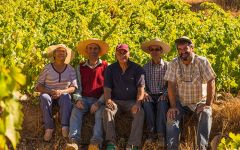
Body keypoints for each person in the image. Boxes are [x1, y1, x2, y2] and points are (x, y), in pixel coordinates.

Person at [164, 36, 216, 150]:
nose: (183, 52)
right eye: (180, 49)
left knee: (206, 113)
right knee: (171, 118)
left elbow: (211, 81)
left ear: (192, 48)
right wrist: (173, 106)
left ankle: (201, 147)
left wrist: (207, 104)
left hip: (199, 101)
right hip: (181, 102)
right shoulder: (174, 63)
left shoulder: (202, 61)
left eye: (185, 49)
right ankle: (172, 147)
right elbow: (171, 85)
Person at [67, 38, 109, 150]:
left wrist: (99, 103)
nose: (93, 51)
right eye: (90, 48)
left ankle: (95, 142)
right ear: (87, 51)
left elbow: (108, 89)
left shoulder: (106, 67)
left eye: (95, 48)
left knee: (100, 114)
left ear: (99, 51)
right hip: (84, 99)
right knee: (76, 111)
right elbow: (77, 87)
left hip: (99, 100)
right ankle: (74, 141)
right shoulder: (80, 67)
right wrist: (77, 99)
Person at [103, 44, 145, 150]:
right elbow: (107, 89)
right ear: (116, 55)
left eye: (124, 52)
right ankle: (111, 143)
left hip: (131, 102)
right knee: (107, 111)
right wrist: (108, 100)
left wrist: (138, 103)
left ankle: (132, 145)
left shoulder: (137, 69)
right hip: (116, 101)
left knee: (140, 112)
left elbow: (141, 89)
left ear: (129, 53)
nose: (122, 55)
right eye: (119, 53)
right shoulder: (110, 69)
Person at [35, 44, 77, 141]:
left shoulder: (70, 69)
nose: (61, 53)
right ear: (54, 54)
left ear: (66, 55)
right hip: (48, 93)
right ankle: (49, 128)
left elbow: (73, 87)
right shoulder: (47, 68)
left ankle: (65, 126)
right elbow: (38, 86)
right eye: (58, 51)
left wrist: (61, 91)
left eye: (63, 51)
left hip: (63, 94)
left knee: (66, 97)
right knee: (44, 97)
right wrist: (50, 91)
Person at [141, 38, 170, 146]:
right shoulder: (145, 67)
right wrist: (145, 93)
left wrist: (165, 94)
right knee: (147, 105)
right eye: (152, 49)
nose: (154, 52)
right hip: (150, 94)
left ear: (161, 51)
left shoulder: (168, 66)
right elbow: (142, 84)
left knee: (162, 105)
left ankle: (161, 135)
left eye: (157, 49)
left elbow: (171, 84)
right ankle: (151, 135)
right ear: (149, 51)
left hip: (162, 95)